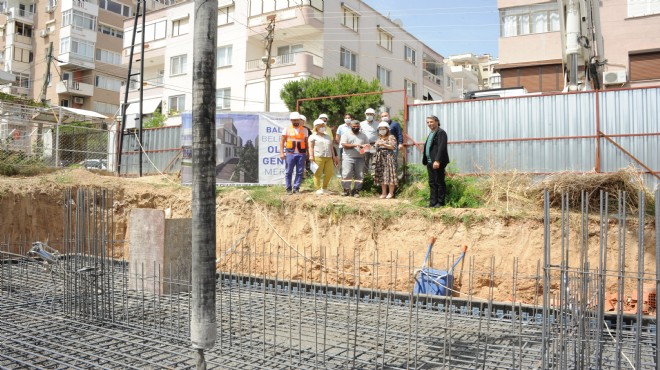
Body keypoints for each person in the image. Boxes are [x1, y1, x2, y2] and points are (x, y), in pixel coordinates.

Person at [422, 115, 450, 207]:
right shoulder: (431, 133)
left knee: (439, 182)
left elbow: (442, 147)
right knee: (432, 182)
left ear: (437, 122)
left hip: (437, 162)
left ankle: (440, 202)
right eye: (428, 122)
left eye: (431, 121)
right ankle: (433, 202)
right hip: (430, 161)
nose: (429, 124)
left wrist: (437, 160)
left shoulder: (441, 133)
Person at [279, 112, 308, 194]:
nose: (295, 121)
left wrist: (308, 153)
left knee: (299, 171)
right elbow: (282, 142)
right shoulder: (286, 129)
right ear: (291, 120)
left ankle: (296, 188)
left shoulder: (304, 130)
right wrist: (282, 153)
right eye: (293, 120)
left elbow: (307, 143)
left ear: (299, 120)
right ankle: (288, 189)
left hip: (301, 153)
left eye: (297, 120)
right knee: (288, 171)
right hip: (290, 153)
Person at [308, 119, 339, 194]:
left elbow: (331, 147)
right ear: (316, 127)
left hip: (328, 157)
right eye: (321, 126)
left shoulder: (327, 136)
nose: (323, 127)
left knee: (329, 173)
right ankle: (318, 188)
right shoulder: (312, 136)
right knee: (317, 173)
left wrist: (334, 157)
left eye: (323, 126)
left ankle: (324, 188)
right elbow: (310, 147)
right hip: (318, 156)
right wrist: (311, 156)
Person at [340, 120, 369, 197]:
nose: (356, 128)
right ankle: (346, 190)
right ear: (351, 126)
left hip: (360, 158)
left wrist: (363, 148)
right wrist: (355, 145)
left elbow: (367, 146)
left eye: (357, 126)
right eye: (354, 126)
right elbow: (344, 145)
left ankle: (356, 190)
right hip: (348, 157)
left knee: (359, 175)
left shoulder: (363, 135)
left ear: (359, 127)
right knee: (347, 173)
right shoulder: (346, 134)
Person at [374, 122, 398, 199]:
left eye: (383, 129)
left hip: (389, 157)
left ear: (387, 129)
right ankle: (384, 193)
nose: (382, 130)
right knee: (382, 175)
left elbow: (392, 147)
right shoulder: (379, 138)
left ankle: (391, 193)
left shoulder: (391, 137)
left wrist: (384, 144)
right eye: (380, 129)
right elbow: (375, 147)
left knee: (390, 174)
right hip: (380, 158)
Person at [360, 108, 379, 173]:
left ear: (374, 115)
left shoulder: (377, 124)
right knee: (365, 161)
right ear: (365, 114)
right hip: (365, 145)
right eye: (368, 114)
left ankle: (374, 177)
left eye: (371, 114)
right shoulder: (361, 124)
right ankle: (365, 177)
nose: (369, 115)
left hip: (373, 145)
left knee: (374, 161)